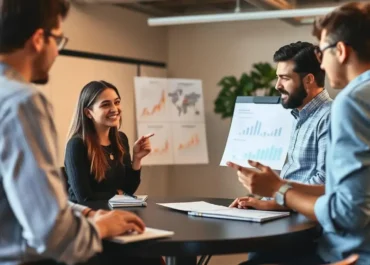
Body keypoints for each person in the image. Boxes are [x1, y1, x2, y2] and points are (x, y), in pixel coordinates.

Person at [0, 1, 147, 264]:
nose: (57, 51)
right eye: (58, 40)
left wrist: (88, 215)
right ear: (37, 40)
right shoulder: (22, 102)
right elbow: (52, 233)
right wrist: (102, 226)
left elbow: (17, 201)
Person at [228, 2, 370, 265]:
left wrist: (280, 192)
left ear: (340, 51)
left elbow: (348, 210)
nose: (323, 66)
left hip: (348, 254)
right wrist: (273, 188)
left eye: (323, 53)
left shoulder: (350, 102)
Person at [230, 41, 331, 211]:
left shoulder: (329, 117)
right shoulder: (298, 116)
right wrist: (259, 199)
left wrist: (272, 203)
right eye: (278, 77)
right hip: (289, 212)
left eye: (285, 78)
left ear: (309, 80)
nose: (277, 85)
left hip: (306, 223)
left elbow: (324, 183)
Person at [65, 80, 153, 203]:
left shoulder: (121, 139)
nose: (114, 109)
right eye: (105, 105)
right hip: (89, 218)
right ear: (88, 113)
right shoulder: (77, 145)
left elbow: (129, 190)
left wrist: (137, 158)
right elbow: (85, 198)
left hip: (114, 214)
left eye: (117, 102)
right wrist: (118, 193)